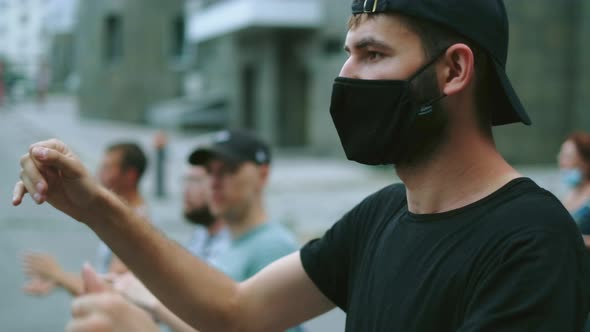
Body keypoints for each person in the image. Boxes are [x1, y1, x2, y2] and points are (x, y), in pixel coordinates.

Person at [13, 1, 590, 331]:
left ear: (454, 71)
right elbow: (236, 309)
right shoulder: (383, 215)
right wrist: (96, 208)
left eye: (372, 54)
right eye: (347, 54)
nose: (346, 77)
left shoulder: (530, 244)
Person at [22, 142, 149, 297]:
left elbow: (110, 293)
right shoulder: (127, 215)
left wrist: (57, 274)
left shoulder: (135, 225)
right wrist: (58, 280)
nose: (100, 173)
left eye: (107, 167)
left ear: (130, 175)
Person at [558, 132, 590, 247]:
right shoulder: (568, 194)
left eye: (568, 157)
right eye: (561, 155)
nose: (561, 162)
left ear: (585, 162)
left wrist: (577, 240)